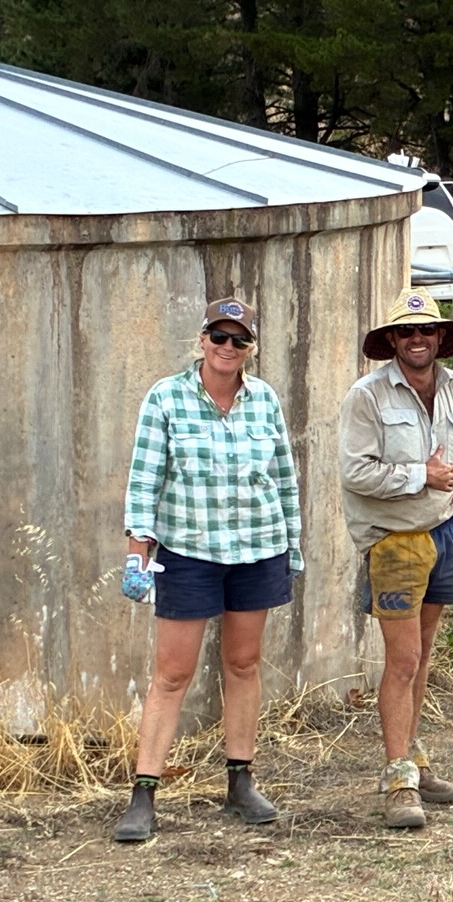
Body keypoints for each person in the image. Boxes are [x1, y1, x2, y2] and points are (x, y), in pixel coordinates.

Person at [115, 297, 302, 843]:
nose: (227, 348)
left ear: (251, 349)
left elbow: (284, 480)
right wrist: (137, 553)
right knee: (172, 672)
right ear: (201, 341)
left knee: (243, 663)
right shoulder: (166, 398)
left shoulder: (264, 400)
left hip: (256, 548)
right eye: (218, 337)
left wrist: (292, 545)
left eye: (238, 340)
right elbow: (144, 480)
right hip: (189, 552)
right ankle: (144, 792)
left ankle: (240, 781)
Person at [340, 287, 453, 828]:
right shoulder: (368, 395)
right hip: (395, 539)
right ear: (393, 341)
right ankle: (398, 779)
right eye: (406, 332)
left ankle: (414, 758)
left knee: (423, 655)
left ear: (441, 339)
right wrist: (418, 475)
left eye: (426, 331)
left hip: (445, 530)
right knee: (402, 660)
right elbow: (354, 473)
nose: (417, 340)